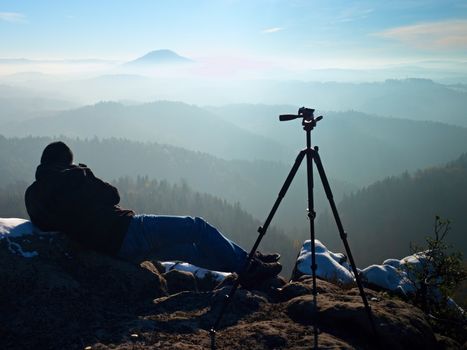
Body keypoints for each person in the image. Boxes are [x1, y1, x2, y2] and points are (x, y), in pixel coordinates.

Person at [25, 141, 281, 284]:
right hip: (129, 229)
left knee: (188, 252)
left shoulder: (34, 195)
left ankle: (246, 263)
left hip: (116, 251)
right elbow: (113, 196)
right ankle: (248, 267)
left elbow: (45, 223)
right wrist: (86, 173)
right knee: (196, 227)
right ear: (66, 161)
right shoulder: (75, 176)